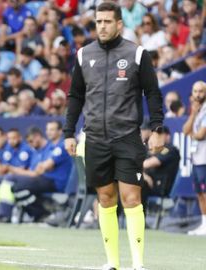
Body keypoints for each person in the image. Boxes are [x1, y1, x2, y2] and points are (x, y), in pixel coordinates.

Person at [63, 2, 164, 270]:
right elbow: (75, 96)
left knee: (131, 198)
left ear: (119, 24)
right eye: (99, 21)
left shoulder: (137, 53)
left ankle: (138, 264)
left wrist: (157, 128)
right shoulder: (84, 55)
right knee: (105, 199)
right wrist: (68, 132)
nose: (103, 26)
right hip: (95, 138)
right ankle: (112, 263)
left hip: (127, 137)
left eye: (108, 21)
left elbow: (152, 92)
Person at [183, 80, 206, 235]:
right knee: (199, 193)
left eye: (201, 91)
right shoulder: (196, 110)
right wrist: (193, 113)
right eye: (195, 91)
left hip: (205, 159)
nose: (197, 94)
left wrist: (192, 134)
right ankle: (204, 224)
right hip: (196, 158)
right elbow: (185, 130)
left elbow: (199, 135)